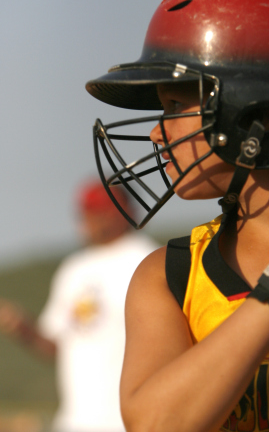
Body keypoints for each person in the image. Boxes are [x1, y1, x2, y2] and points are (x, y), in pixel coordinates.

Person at [85, 0, 269, 431]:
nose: (155, 135)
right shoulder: (171, 276)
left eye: (176, 105)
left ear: (260, 112)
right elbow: (157, 424)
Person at [0, 179, 158, 432]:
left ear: (125, 210)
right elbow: (55, 346)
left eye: (98, 210)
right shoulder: (73, 270)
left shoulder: (149, 261)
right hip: (74, 421)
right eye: (84, 211)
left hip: (126, 422)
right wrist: (22, 327)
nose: (87, 219)